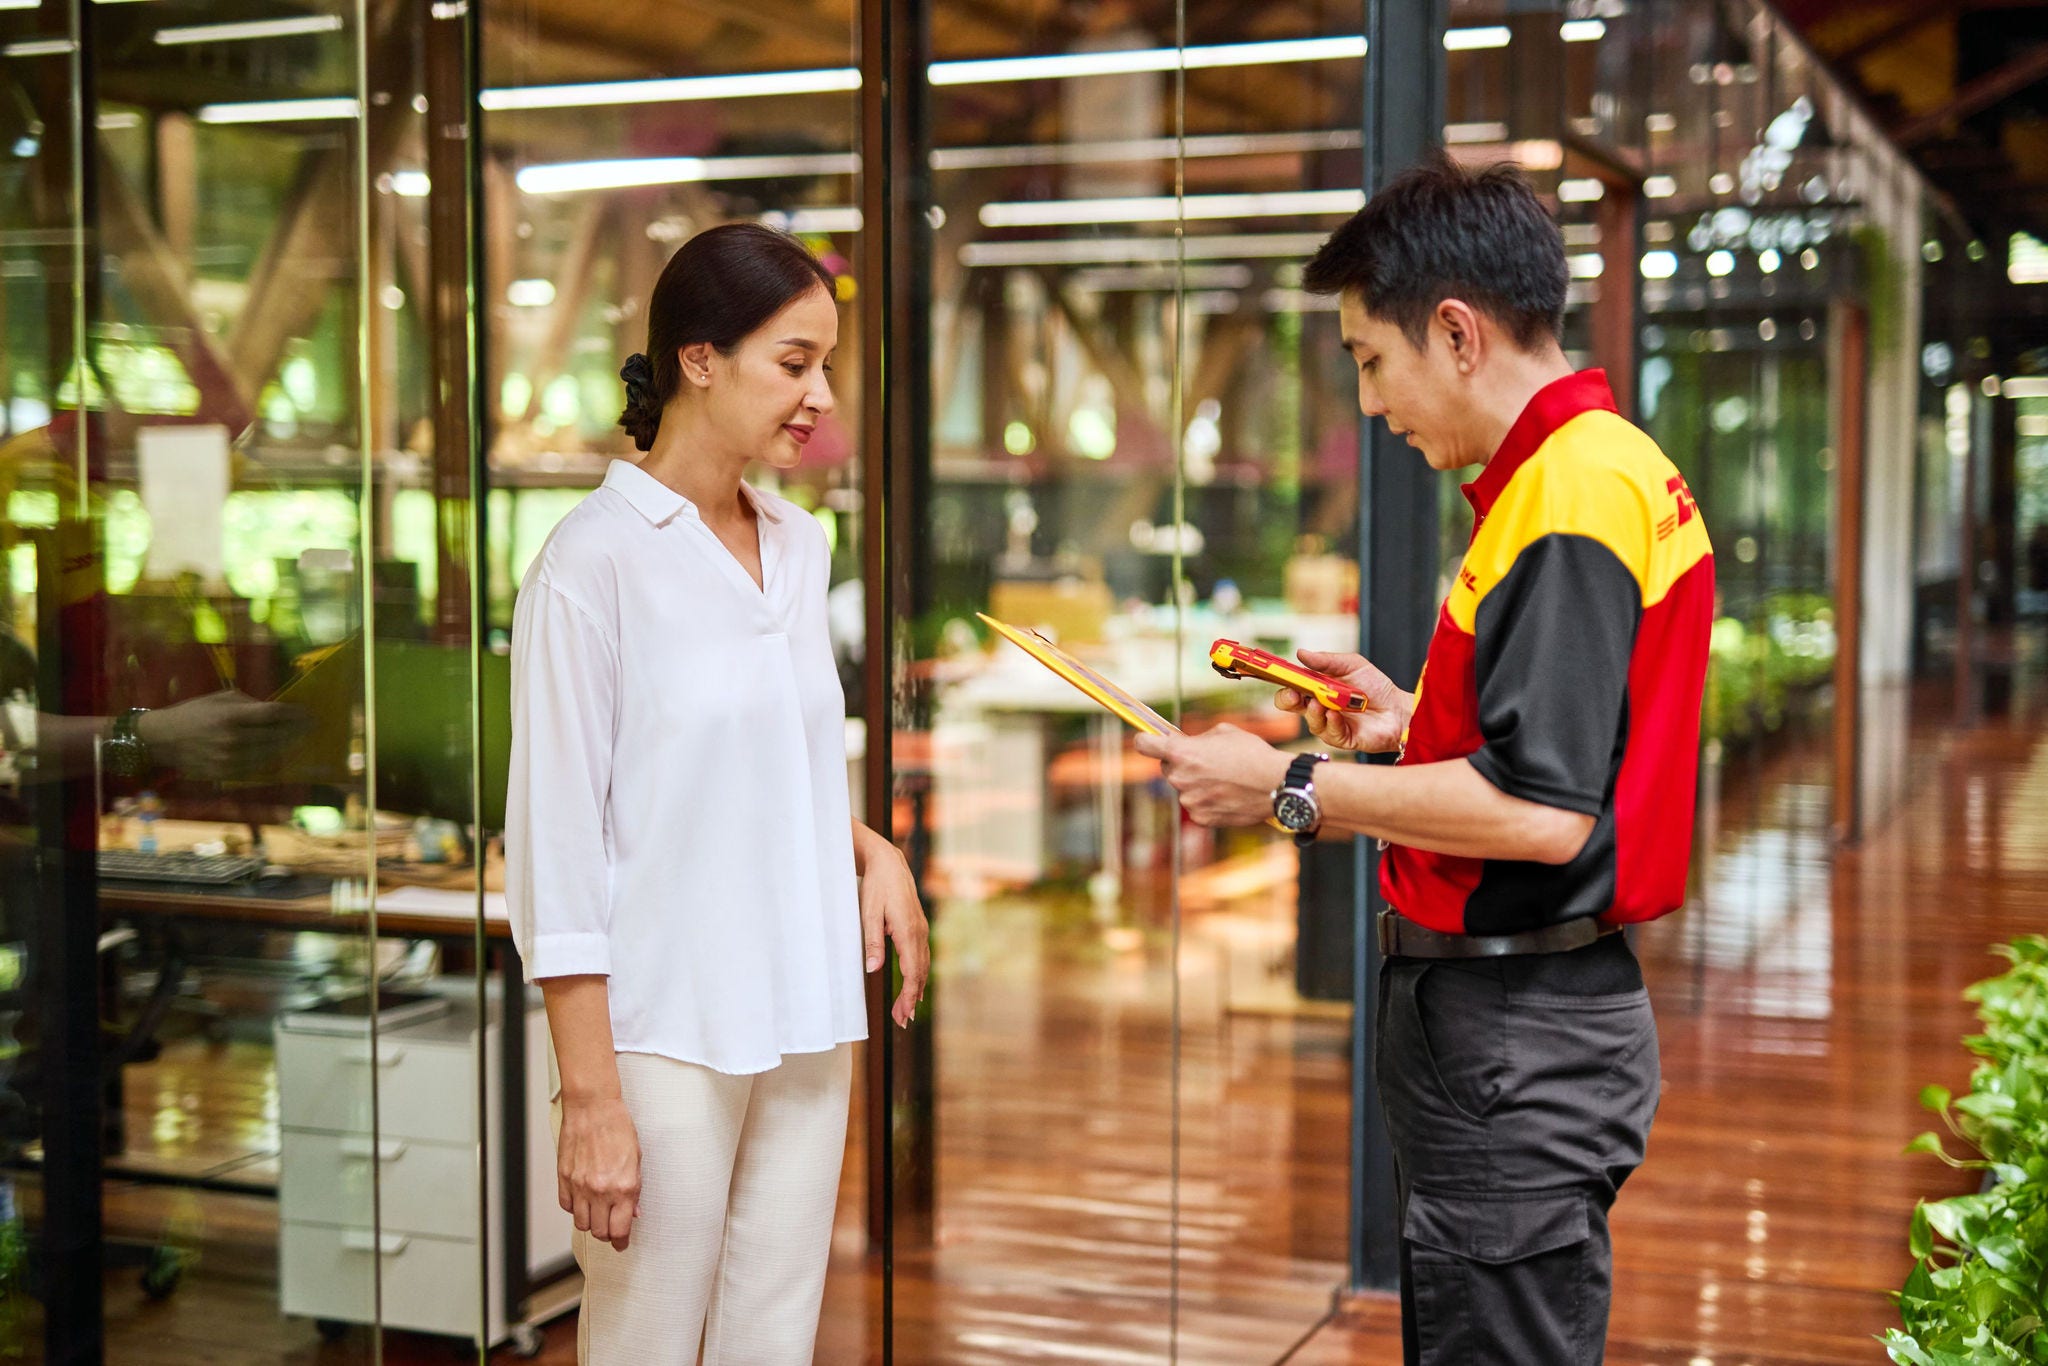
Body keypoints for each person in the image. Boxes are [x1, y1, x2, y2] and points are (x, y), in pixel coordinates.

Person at [1136, 154, 1713, 1365]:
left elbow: (1543, 814)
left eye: (1367, 358)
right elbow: (1565, 749)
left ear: (1454, 333)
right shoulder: (1586, 475)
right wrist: (1408, 723)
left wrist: (1286, 786)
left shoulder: (1564, 498)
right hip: (1528, 1027)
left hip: (1513, 1035)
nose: (1367, 400)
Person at [505, 223, 929, 1365]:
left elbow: (738, 771)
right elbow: (555, 849)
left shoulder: (797, 546)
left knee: (771, 1340)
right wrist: (588, 1097)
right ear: (699, 358)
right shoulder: (587, 567)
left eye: (824, 367)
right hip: (660, 1033)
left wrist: (865, 850)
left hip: (801, 1012)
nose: (819, 396)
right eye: (793, 363)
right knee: (645, 1339)